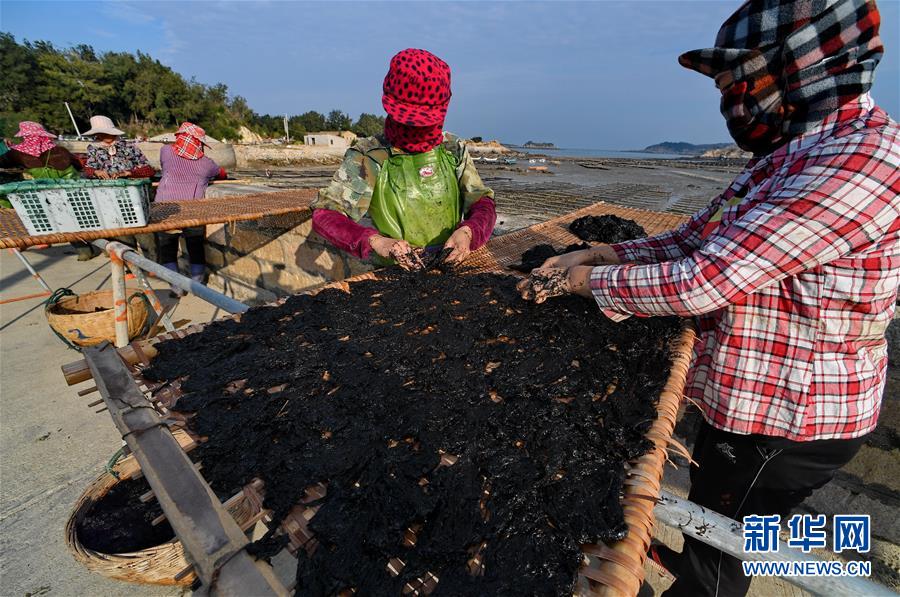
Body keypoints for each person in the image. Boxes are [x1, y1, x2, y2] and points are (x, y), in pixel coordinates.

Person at [518, 1, 897, 596]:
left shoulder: (858, 160)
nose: (731, 106)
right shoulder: (791, 151)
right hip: (749, 406)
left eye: (736, 86)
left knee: (719, 560)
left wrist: (577, 282)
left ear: (796, 69)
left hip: (785, 421)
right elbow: (698, 236)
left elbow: (704, 279)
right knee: (713, 525)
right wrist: (602, 253)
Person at [311, 48, 496, 270]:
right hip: (392, 272)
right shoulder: (370, 156)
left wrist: (468, 232)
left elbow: (482, 202)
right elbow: (327, 214)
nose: (417, 132)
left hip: (450, 266)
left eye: (424, 124)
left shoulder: (452, 148)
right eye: (410, 123)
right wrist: (376, 241)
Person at [155, 122, 225, 292]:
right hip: (193, 210)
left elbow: (165, 167)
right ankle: (197, 284)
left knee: (168, 247)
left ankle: (176, 287)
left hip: (165, 209)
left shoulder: (166, 151)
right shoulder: (207, 164)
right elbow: (221, 173)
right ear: (199, 143)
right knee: (195, 246)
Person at [0, 121, 81, 179]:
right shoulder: (61, 151)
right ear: (43, 135)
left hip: (32, 192)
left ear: (25, 136)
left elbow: (2, 163)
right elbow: (78, 166)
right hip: (65, 189)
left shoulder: (15, 153)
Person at [82, 115, 155, 179]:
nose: (105, 135)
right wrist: (96, 172)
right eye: (101, 133)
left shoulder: (130, 146)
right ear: (96, 134)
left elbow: (149, 170)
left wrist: (128, 173)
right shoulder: (93, 148)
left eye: (107, 132)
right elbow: (87, 170)